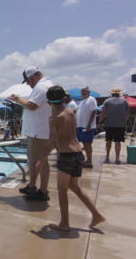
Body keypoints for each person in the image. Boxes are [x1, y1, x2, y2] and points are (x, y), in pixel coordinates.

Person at [44, 85, 105, 231]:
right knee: (74, 187)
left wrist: (41, 160)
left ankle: (65, 223)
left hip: (66, 156)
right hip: (78, 154)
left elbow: (53, 141)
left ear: (49, 102)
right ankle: (96, 214)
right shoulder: (70, 111)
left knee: (62, 190)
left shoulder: (54, 118)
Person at [8, 67, 54, 201]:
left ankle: (40, 190)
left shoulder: (42, 87)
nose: (28, 84)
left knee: (38, 162)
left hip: (39, 132)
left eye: (28, 82)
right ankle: (33, 186)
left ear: (32, 77)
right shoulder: (44, 86)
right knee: (36, 161)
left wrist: (17, 99)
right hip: (38, 131)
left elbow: (32, 106)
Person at [99, 87, 129, 164]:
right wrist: (124, 121)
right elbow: (128, 114)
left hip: (109, 124)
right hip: (120, 125)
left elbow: (103, 113)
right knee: (117, 142)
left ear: (112, 93)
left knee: (108, 141)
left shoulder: (107, 101)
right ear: (119, 93)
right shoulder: (124, 101)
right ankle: (117, 159)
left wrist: (100, 122)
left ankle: (107, 158)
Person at [76, 87, 98, 168]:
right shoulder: (82, 101)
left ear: (89, 92)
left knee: (87, 144)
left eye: (85, 91)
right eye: (82, 91)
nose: (83, 93)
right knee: (83, 144)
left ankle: (89, 161)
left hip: (87, 126)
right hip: (80, 126)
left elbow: (93, 111)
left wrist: (89, 125)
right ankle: (85, 160)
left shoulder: (91, 99)